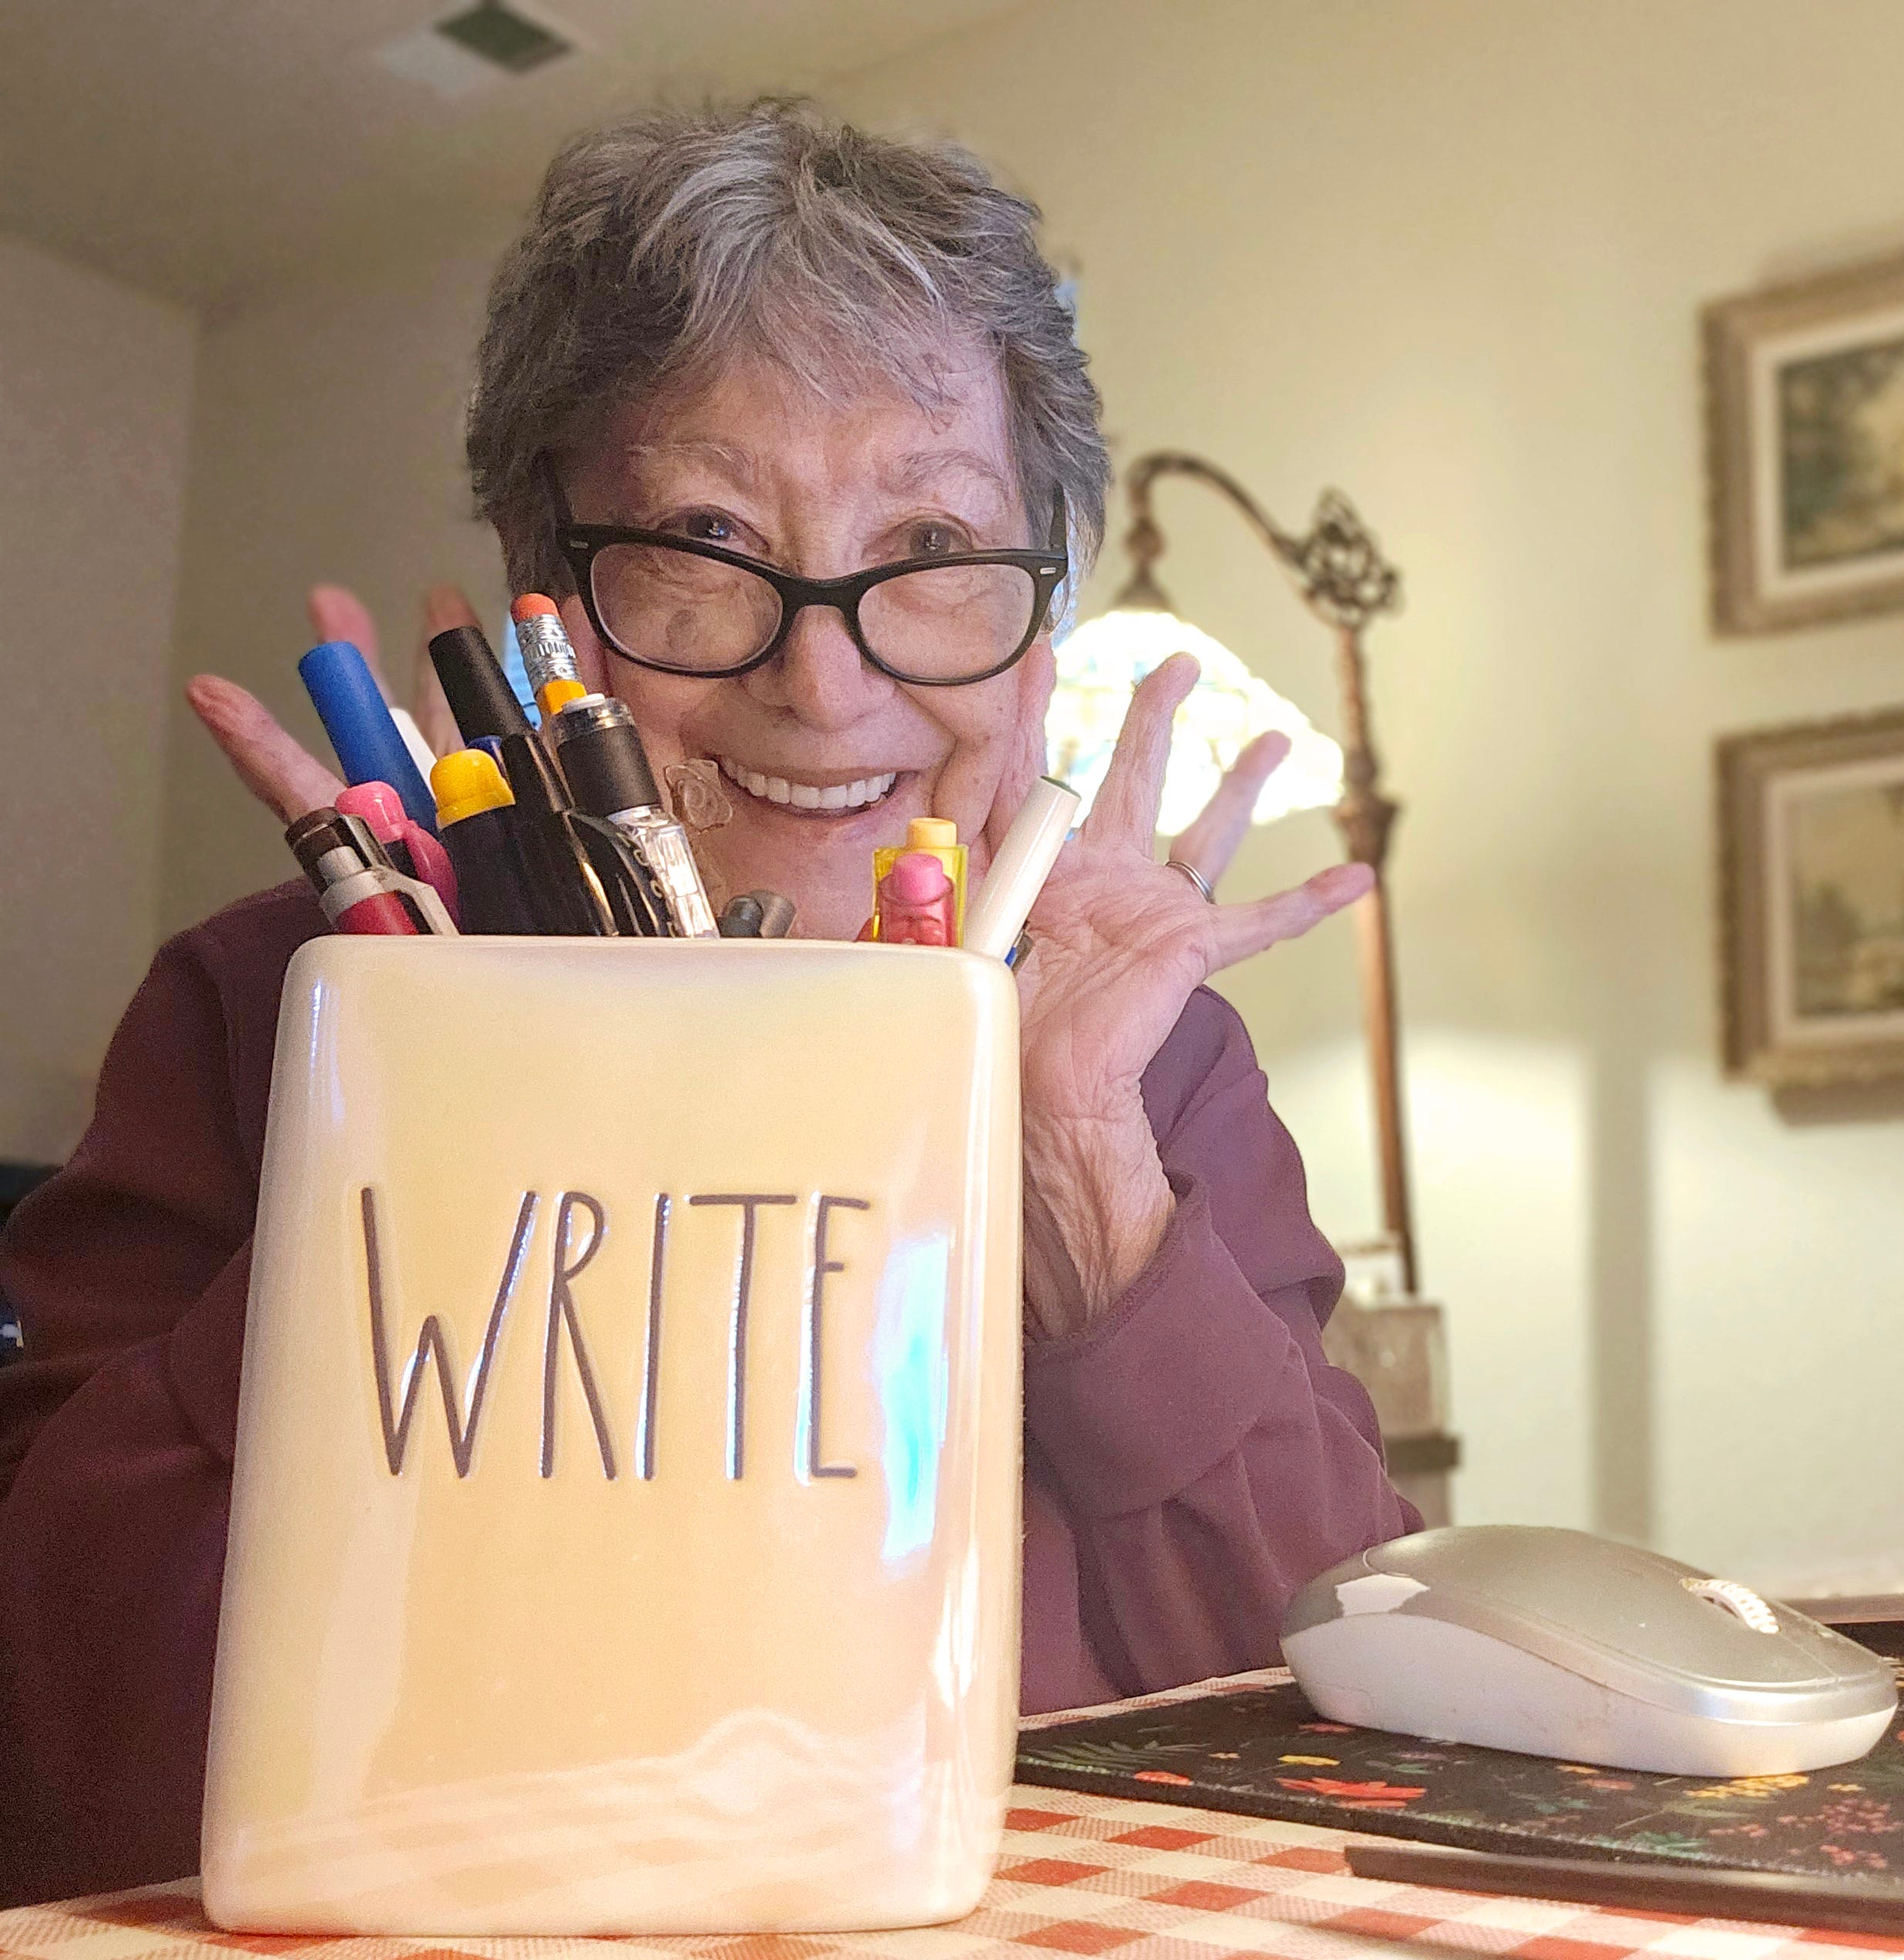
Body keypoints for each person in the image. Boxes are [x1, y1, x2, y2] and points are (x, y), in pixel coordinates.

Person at [0, 99, 1418, 1905]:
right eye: (701, 539)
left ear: (1040, 625)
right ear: (547, 608)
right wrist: (466, 1126)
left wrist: (1082, 1178)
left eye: (930, 543)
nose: (821, 682)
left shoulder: (1152, 1061)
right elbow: (73, 1749)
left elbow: (1351, 1723)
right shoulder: (277, 1007)